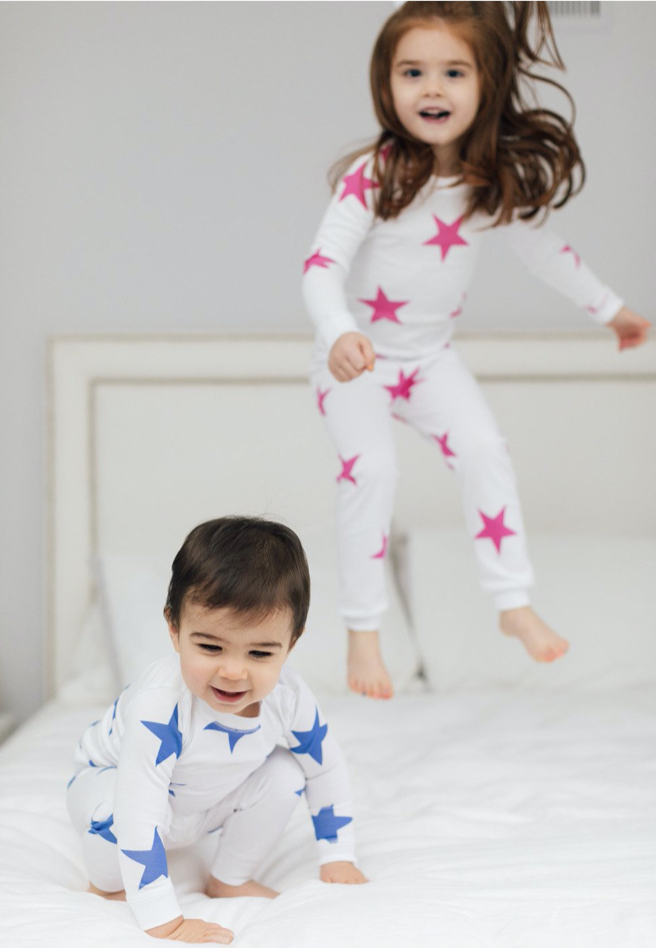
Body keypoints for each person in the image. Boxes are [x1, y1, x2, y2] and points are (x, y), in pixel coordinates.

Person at [302, 1, 650, 701]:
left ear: (486, 84)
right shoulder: (374, 175)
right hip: (359, 360)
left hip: (430, 360)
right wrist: (339, 332)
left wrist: (611, 310)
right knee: (372, 473)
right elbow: (320, 267)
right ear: (386, 82)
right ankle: (363, 633)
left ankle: (511, 602)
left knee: (487, 451)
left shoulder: (488, 181)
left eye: (453, 72)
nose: (432, 88)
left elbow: (546, 253)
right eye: (413, 72)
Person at [67, 517, 367, 944]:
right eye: (210, 647)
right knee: (116, 810)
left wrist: (338, 855)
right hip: (113, 791)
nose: (232, 672)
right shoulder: (161, 706)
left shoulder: (289, 698)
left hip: (193, 808)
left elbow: (326, 768)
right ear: (174, 628)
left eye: (260, 652)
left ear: (292, 643)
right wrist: (164, 920)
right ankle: (107, 886)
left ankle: (229, 878)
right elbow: (137, 813)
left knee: (287, 772)